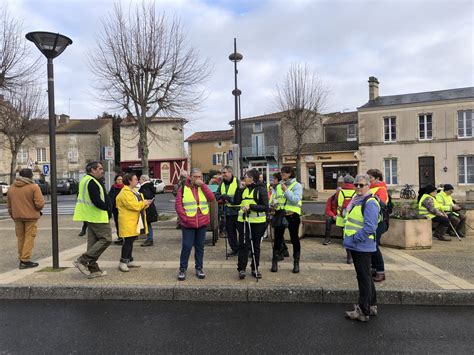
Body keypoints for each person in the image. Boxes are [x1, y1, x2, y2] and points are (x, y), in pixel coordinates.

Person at [343, 174, 380, 322]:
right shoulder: (358, 201)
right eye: (356, 185)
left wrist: (355, 239)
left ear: (368, 186)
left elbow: (370, 227)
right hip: (359, 245)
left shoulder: (369, 202)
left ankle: (363, 311)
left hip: (361, 246)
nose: (358, 187)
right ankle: (371, 305)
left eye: (361, 185)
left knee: (363, 278)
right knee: (366, 277)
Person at [73, 162, 112, 278]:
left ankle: (93, 270)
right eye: (100, 168)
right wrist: (107, 207)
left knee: (93, 243)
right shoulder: (92, 181)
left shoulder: (85, 180)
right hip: (97, 216)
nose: (102, 171)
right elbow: (96, 200)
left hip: (90, 216)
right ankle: (82, 260)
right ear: (92, 170)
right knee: (106, 239)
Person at [175, 168, 215, 281]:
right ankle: (183, 269)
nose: (199, 179)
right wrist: (185, 218)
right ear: (190, 177)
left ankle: (199, 268)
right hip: (188, 223)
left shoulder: (203, 187)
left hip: (202, 222)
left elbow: (211, 198)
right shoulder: (183, 188)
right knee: (187, 246)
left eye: (200, 177)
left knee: (200, 247)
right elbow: (178, 205)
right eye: (196, 177)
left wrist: (203, 185)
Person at [233, 168, 269, 279]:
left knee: (255, 246)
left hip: (257, 222)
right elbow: (236, 201)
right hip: (243, 221)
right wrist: (239, 189)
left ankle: (255, 268)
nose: (244, 178)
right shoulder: (243, 188)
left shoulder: (261, 189)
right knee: (243, 245)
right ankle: (241, 269)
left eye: (246, 176)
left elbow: (265, 207)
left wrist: (251, 207)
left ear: (252, 179)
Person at [7, 168, 45, 269]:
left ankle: (21, 257)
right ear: (31, 176)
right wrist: (36, 210)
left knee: (20, 238)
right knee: (29, 238)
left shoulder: (11, 188)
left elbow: (9, 206)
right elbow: (40, 204)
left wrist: (13, 215)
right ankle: (25, 260)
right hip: (31, 217)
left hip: (17, 217)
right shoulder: (33, 187)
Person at [116, 173, 152, 272]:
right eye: (135, 179)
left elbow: (138, 204)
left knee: (131, 240)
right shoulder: (125, 192)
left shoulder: (134, 191)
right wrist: (144, 203)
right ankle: (123, 262)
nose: (137, 181)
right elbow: (134, 205)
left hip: (134, 220)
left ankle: (129, 260)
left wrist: (146, 203)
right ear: (129, 181)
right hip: (127, 220)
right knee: (128, 241)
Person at [271, 166, 303, 274]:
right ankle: (274, 262)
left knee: (294, 239)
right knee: (278, 239)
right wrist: (273, 204)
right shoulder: (279, 186)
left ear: (290, 174)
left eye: (284, 173)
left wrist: (286, 191)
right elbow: (276, 198)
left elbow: (295, 200)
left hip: (292, 216)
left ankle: (296, 263)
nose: (282, 174)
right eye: (281, 173)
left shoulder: (297, 185)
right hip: (280, 215)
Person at [367, 169, 389, 282]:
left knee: (374, 246)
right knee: (372, 246)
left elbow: (382, 204)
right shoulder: (370, 188)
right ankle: (374, 269)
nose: (369, 180)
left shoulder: (381, 189)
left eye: (370, 178)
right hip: (374, 222)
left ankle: (381, 271)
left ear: (377, 178)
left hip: (379, 222)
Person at [215, 165, 240, 257]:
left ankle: (244, 249)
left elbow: (241, 196)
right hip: (227, 212)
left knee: (242, 233)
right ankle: (235, 249)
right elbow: (217, 194)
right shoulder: (222, 183)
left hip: (238, 211)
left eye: (224, 173)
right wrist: (222, 197)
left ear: (230, 172)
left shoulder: (237, 181)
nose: (223, 175)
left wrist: (229, 199)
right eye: (222, 173)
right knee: (230, 233)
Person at [325, 174, 355, 248]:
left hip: (340, 215)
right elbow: (328, 209)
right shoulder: (356, 192)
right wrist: (333, 216)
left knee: (343, 225)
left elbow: (337, 205)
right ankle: (330, 239)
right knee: (330, 220)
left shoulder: (340, 193)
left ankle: (341, 240)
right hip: (345, 216)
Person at [269, 172, 289, 259]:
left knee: (278, 234)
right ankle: (284, 250)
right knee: (279, 233)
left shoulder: (279, 187)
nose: (273, 181)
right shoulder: (275, 188)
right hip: (277, 212)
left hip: (280, 212)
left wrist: (273, 207)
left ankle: (280, 253)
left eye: (274, 179)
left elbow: (277, 200)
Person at [139, 175, 158, 247]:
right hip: (150, 208)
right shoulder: (149, 186)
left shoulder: (145, 187)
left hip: (147, 208)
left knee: (147, 224)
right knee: (147, 224)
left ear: (143, 179)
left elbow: (147, 196)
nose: (139, 181)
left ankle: (149, 239)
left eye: (140, 179)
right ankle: (149, 239)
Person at [108, 174, 124, 244]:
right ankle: (120, 237)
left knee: (124, 223)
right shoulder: (113, 188)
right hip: (116, 209)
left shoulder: (125, 187)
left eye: (121, 179)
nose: (120, 181)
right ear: (116, 181)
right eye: (118, 179)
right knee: (118, 223)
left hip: (124, 209)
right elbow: (111, 198)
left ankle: (125, 237)